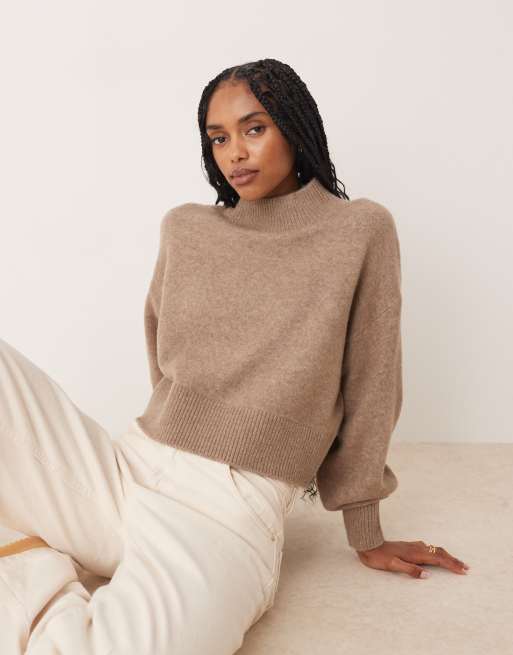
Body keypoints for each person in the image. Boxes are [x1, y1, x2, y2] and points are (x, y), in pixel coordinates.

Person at [0, 57, 469, 655]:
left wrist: (366, 530)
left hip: (225, 510)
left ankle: (31, 568)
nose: (235, 153)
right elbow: (163, 359)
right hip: (124, 470)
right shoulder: (186, 228)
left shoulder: (359, 230)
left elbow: (372, 383)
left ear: (294, 128)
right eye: (218, 138)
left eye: (254, 129)